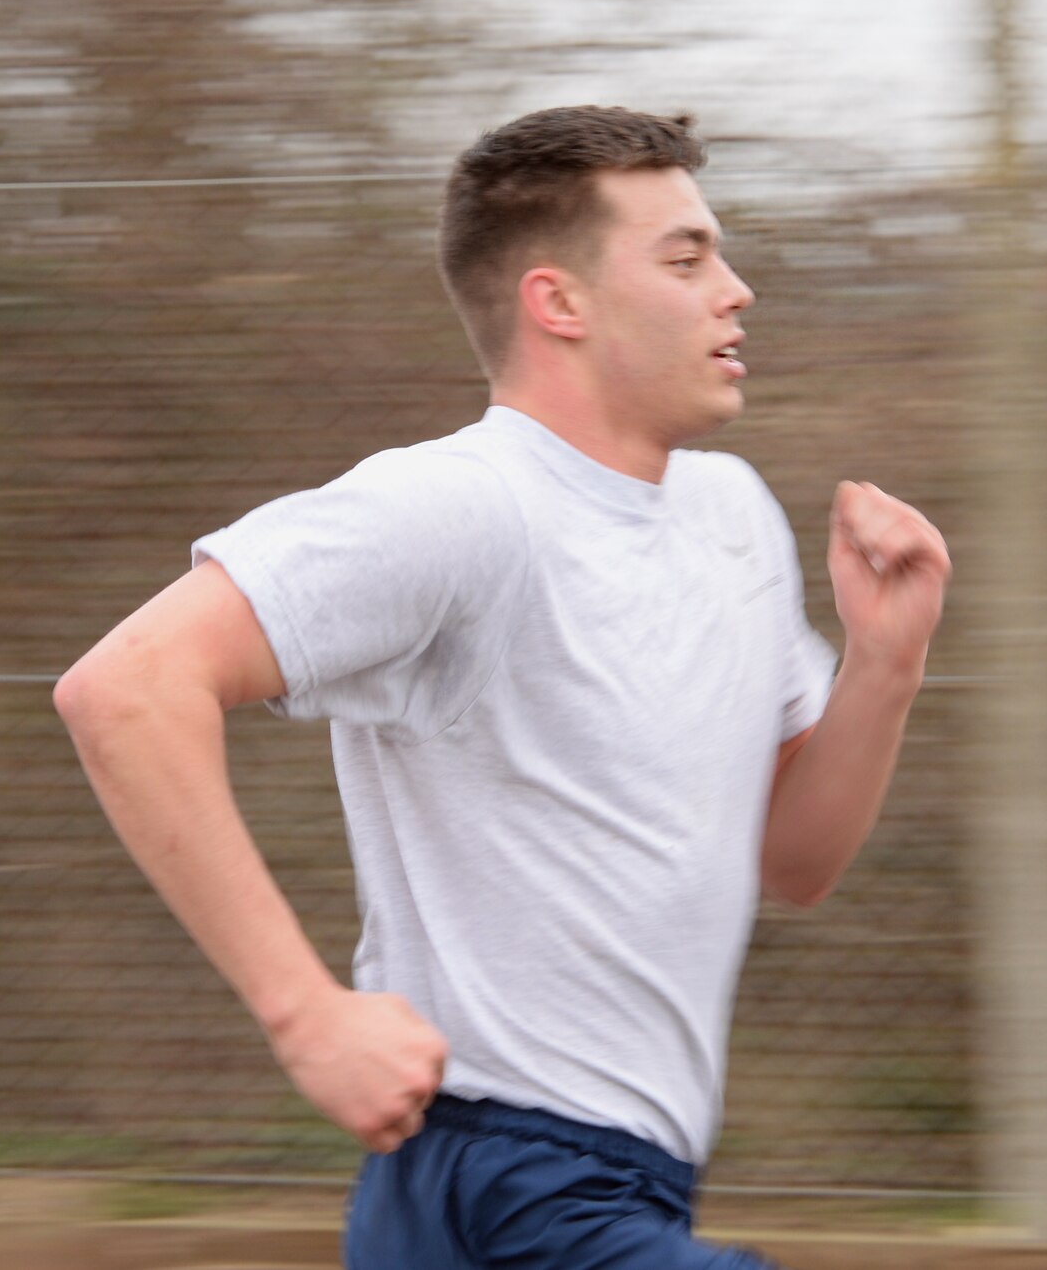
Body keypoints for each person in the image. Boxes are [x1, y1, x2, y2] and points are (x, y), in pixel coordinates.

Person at [53, 106, 951, 1269]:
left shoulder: (731, 516)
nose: (734, 289)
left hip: (627, 1186)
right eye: (684, 258)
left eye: (717, 253)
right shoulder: (462, 509)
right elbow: (124, 689)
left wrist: (885, 662)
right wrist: (304, 1013)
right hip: (496, 1173)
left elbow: (792, 859)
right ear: (557, 302)